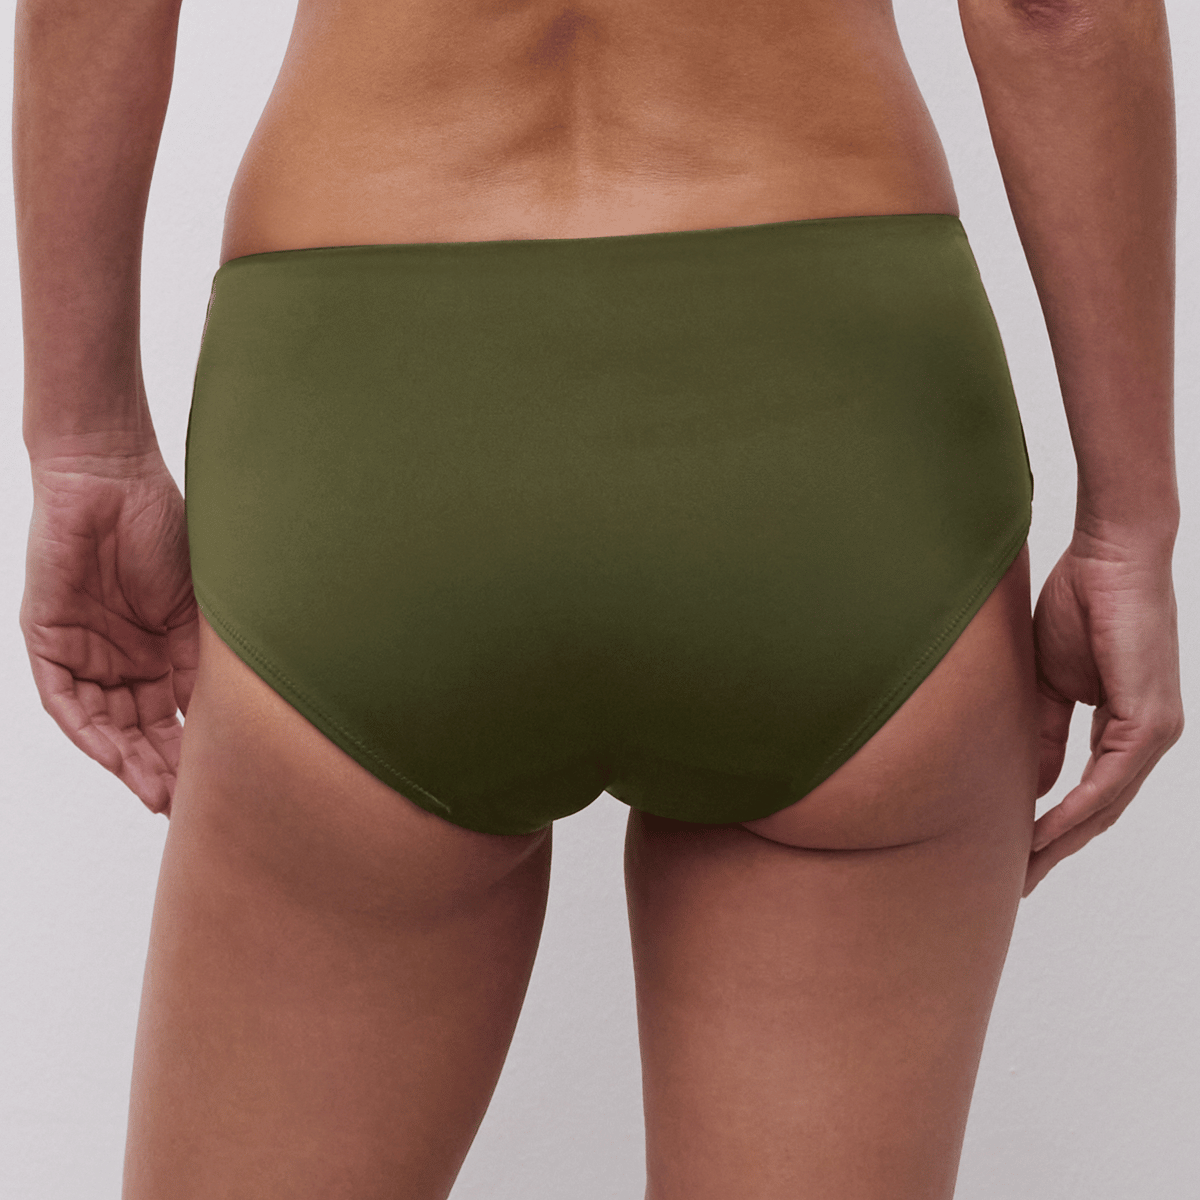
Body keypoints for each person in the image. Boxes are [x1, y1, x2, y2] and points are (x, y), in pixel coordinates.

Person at [13, 0, 1182, 1195]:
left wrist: (86, 445)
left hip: (372, 415)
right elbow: (1054, 11)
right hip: (832, 414)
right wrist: (1128, 527)